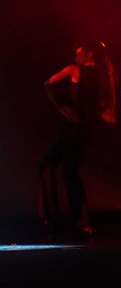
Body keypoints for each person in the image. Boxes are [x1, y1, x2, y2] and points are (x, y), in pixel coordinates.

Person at [38, 37, 117, 240]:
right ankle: (83, 224)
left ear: (88, 54)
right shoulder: (103, 76)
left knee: (47, 166)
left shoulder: (75, 70)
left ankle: (50, 222)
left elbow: (48, 84)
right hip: (84, 131)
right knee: (70, 174)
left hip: (73, 129)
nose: (76, 55)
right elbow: (102, 110)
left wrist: (62, 108)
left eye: (79, 51)